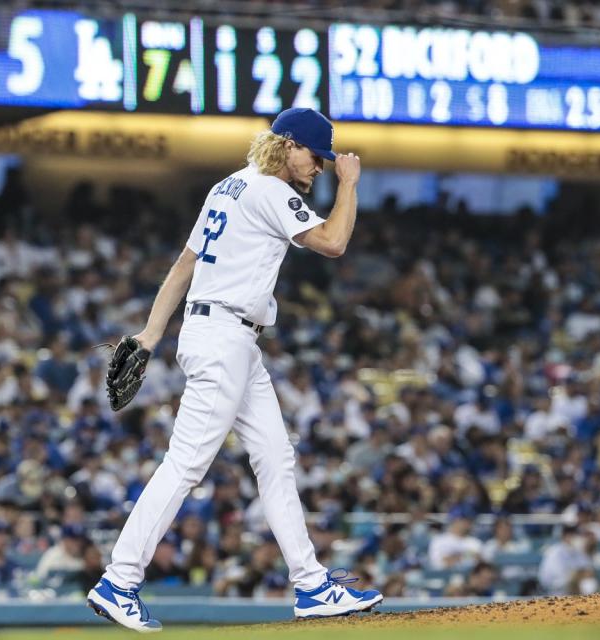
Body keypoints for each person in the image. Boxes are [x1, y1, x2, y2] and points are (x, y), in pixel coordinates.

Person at [87, 108, 381, 632]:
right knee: (186, 465)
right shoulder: (271, 190)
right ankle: (119, 579)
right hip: (224, 339)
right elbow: (334, 243)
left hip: (228, 338)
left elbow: (184, 265)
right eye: (316, 156)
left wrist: (152, 333)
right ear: (289, 146)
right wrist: (350, 186)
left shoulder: (228, 186)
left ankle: (311, 586)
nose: (321, 166)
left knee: (275, 456)